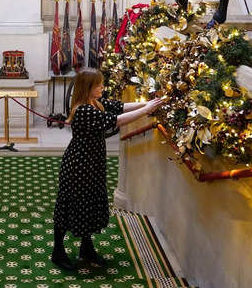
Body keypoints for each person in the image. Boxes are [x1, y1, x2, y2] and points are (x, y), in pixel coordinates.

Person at [51, 68, 166, 270]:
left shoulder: (95, 102)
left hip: (91, 163)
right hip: (79, 165)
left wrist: (148, 104)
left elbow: (120, 107)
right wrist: (147, 109)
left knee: (89, 203)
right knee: (71, 204)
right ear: (88, 88)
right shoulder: (84, 109)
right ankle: (58, 252)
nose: (103, 87)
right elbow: (117, 120)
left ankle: (86, 248)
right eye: (99, 85)